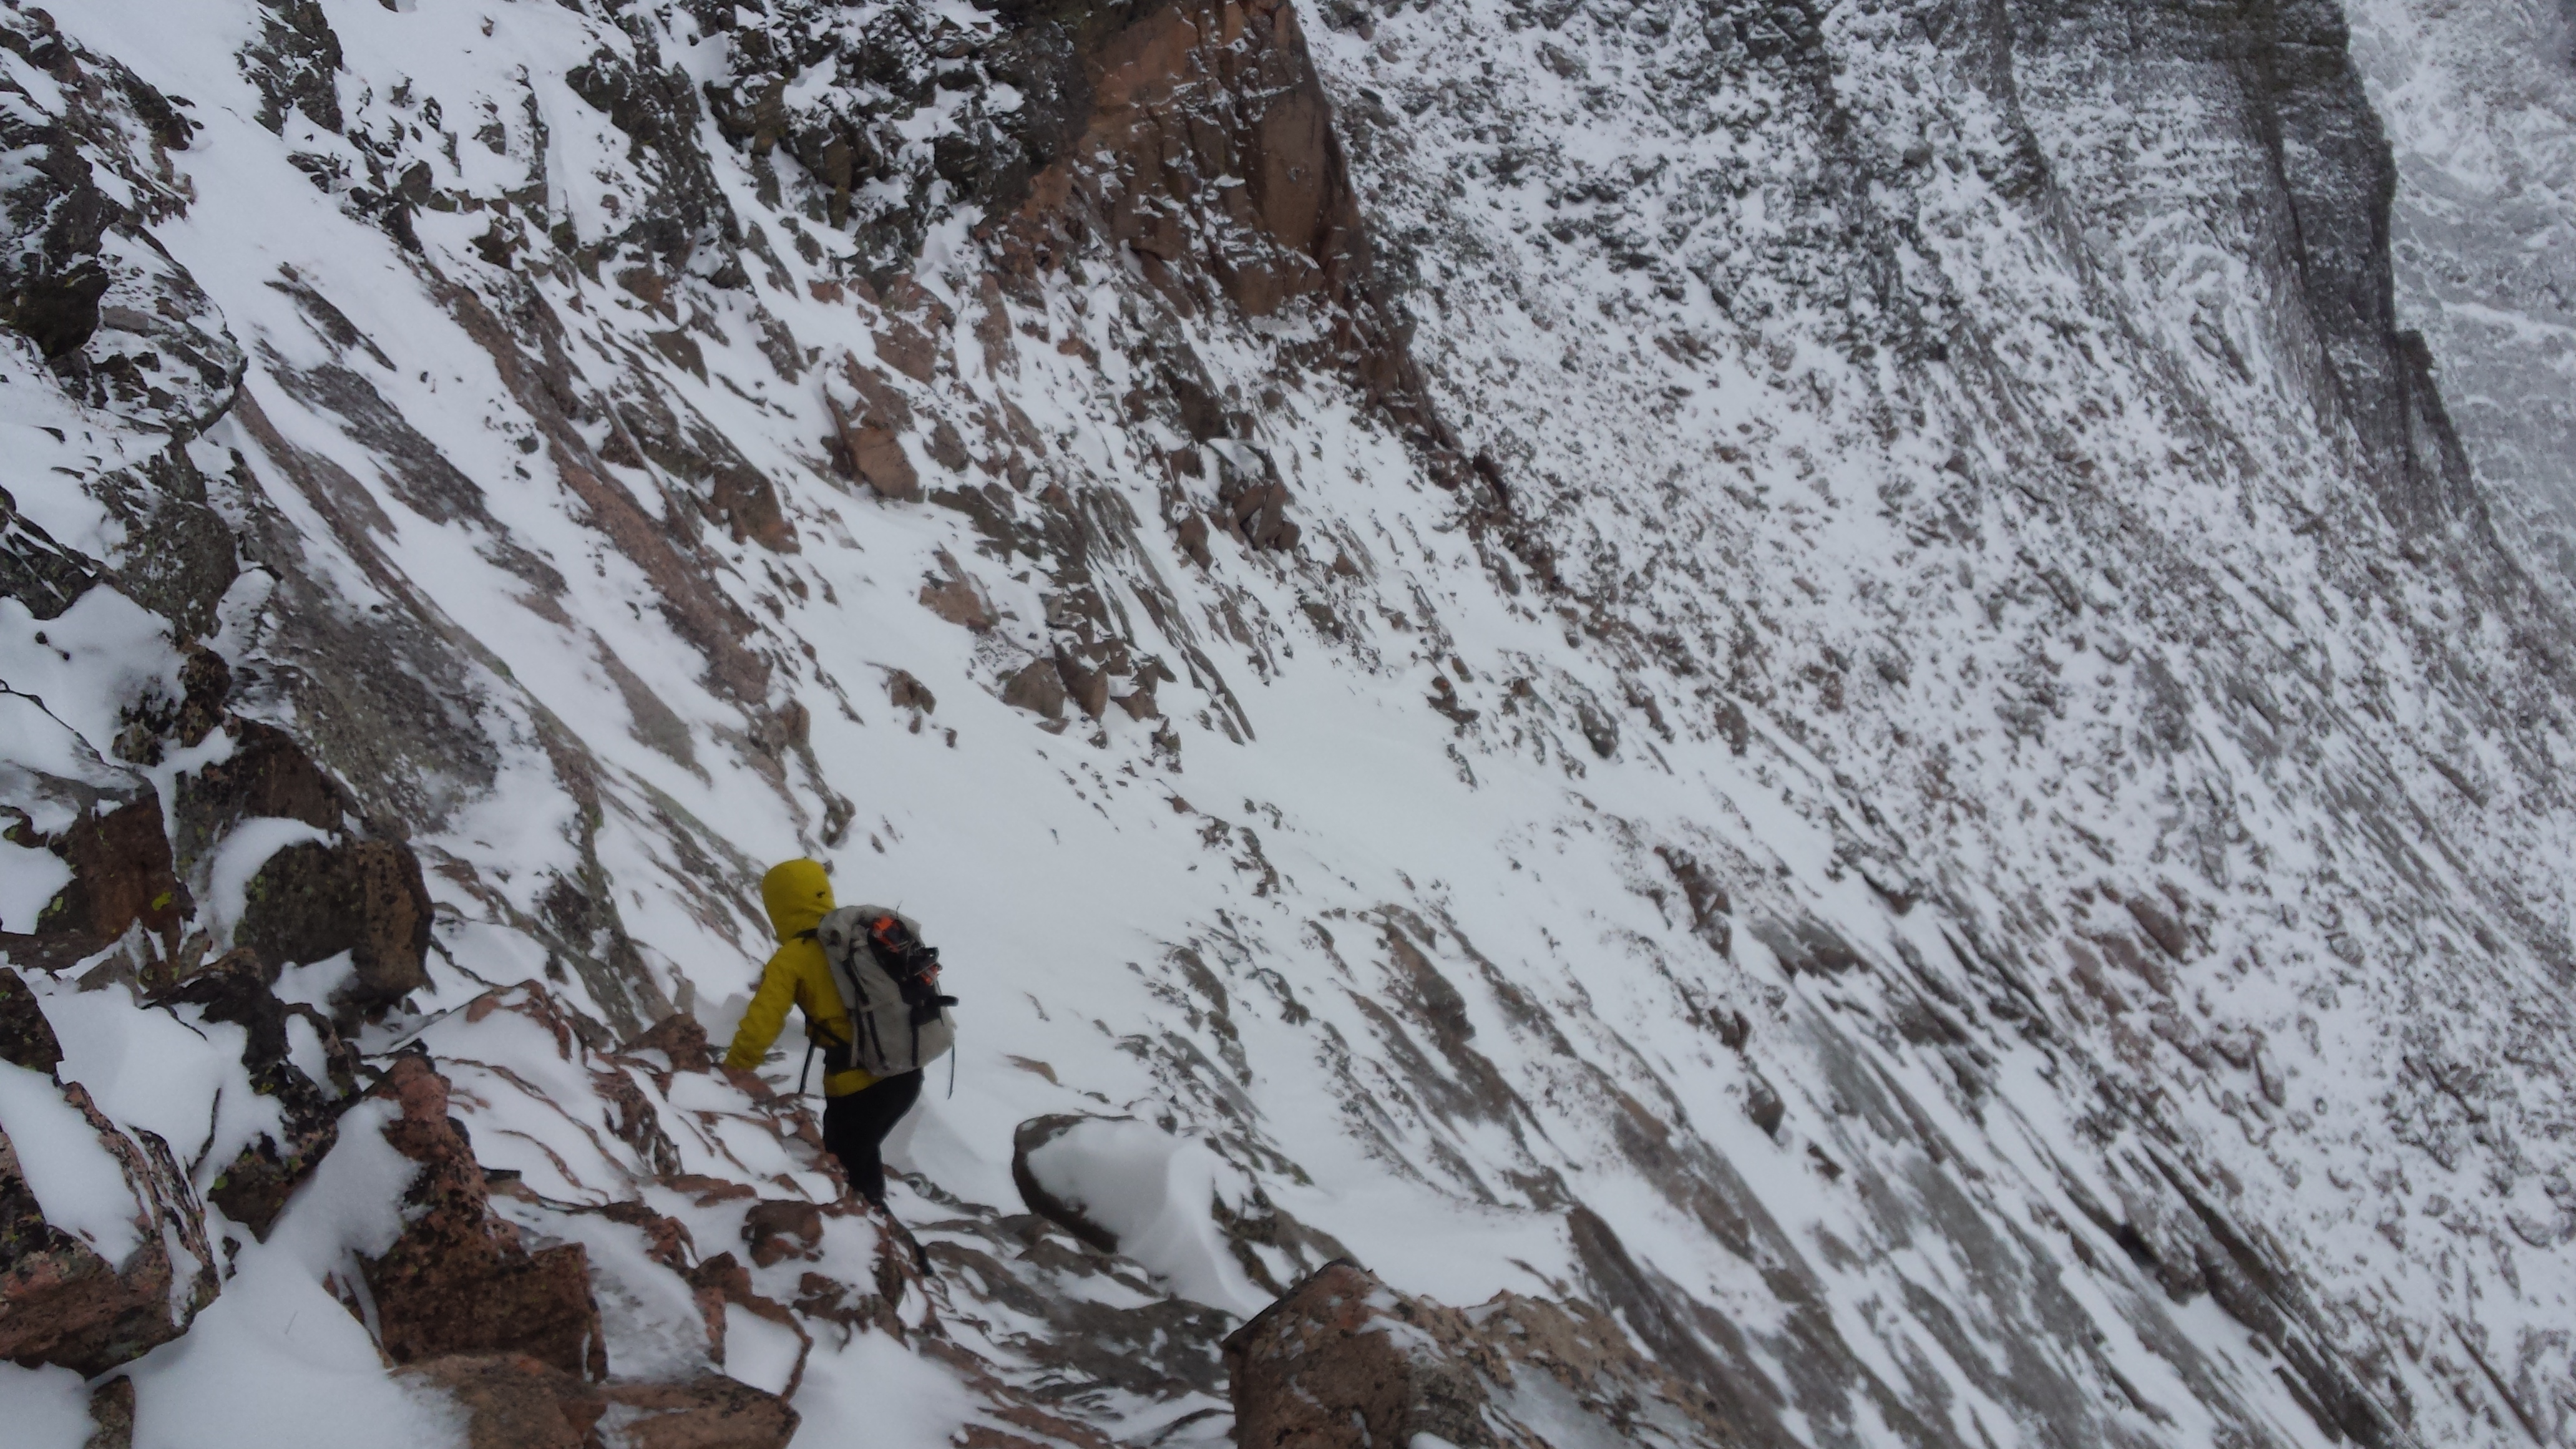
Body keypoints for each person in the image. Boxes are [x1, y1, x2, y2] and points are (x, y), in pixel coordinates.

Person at [721, 858, 924, 1206]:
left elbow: (762, 1023)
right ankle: (885, 1237)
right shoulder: (857, 937)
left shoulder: (794, 957)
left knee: (849, 1175)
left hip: (858, 1085)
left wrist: (733, 1072)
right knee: (861, 1162)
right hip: (906, 1070)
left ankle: (885, 1248)